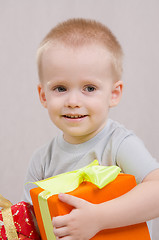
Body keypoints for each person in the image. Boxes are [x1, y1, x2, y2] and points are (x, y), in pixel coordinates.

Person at [23, 18, 159, 240]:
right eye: (60, 88)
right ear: (43, 96)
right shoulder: (41, 160)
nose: (73, 101)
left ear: (113, 94)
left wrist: (98, 218)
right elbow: (33, 224)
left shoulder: (119, 144)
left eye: (89, 88)